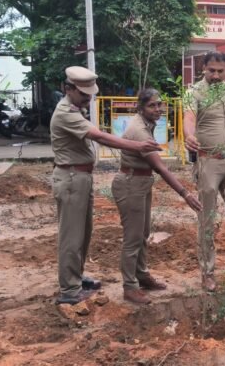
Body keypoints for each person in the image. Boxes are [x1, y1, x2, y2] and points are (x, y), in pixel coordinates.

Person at [50, 66, 161, 305]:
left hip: (81, 177)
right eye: (83, 93)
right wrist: (135, 146)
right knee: (71, 236)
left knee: (84, 233)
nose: (88, 98)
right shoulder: (65, 113)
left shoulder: (75, 109)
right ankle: (69, 290)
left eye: (90, 93)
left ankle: (77, 277)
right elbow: (99, 137)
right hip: (70, 178)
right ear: (67, 89)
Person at [112, 88, 203, 304]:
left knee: (142, 234)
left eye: (159, 104)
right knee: (133, 238)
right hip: (130, 184)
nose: (158, 109)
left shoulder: (147, 124)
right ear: (141, 107)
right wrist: (185, 194)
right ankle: (129, 286)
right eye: (152, 105)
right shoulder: (139, 130)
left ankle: (141, 275)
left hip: (141, 182)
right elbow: (161, 168)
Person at [183, 51, 225, 292]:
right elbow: (189, 118)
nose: (216, 75)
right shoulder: (193, 92)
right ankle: (207, 272)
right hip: (207, 163)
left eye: (220, 71)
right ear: (203, 68)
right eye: (211, 70)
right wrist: (189, 134)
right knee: (207, 219)